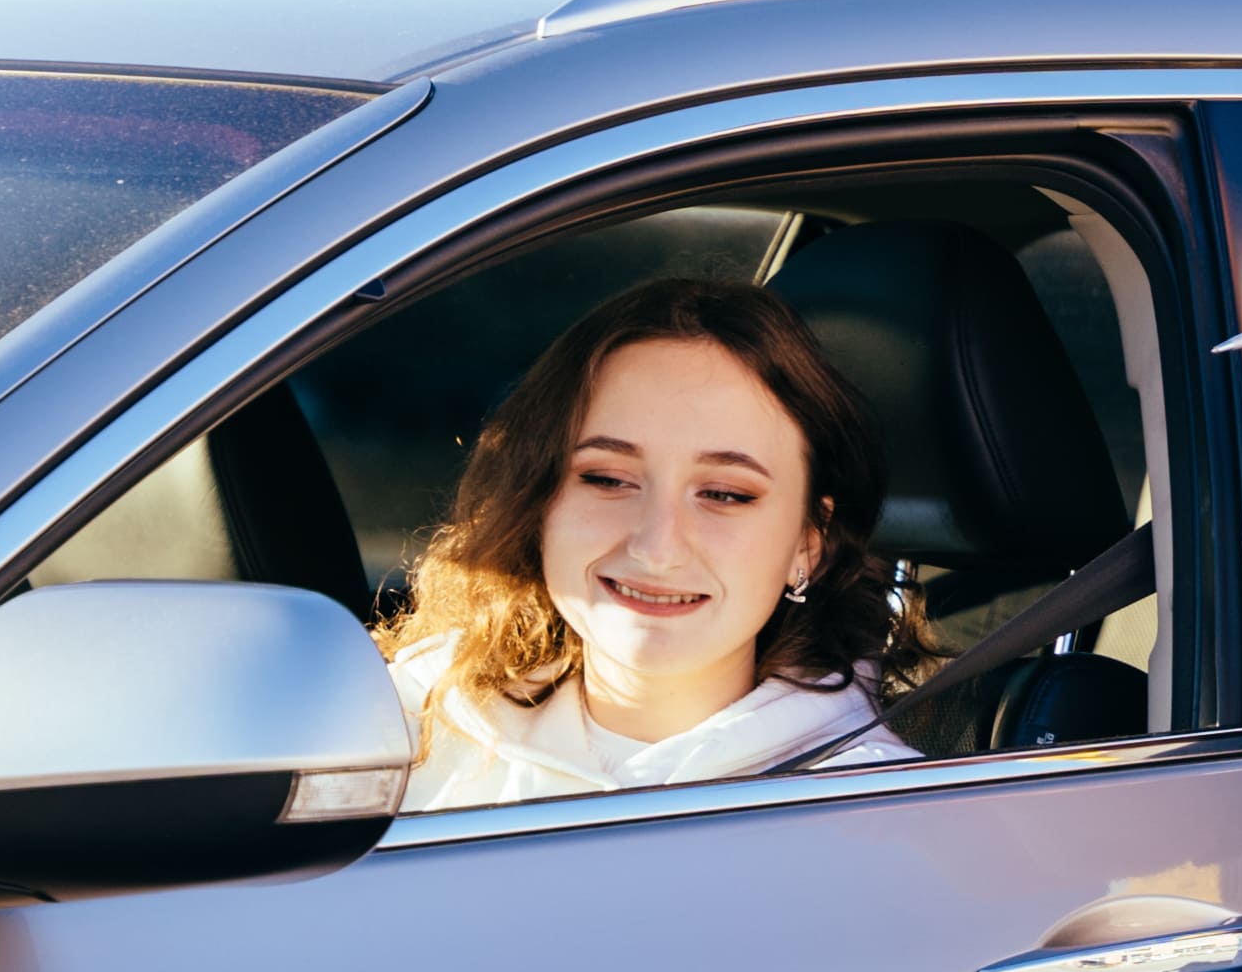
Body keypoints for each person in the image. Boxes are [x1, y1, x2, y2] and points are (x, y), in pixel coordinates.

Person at [385, 279, 915, 805]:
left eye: (725, 494)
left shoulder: (882, 814)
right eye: (607, 480)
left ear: (807, 543)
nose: (655, 548)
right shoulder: (398, 726)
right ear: (538, 501)